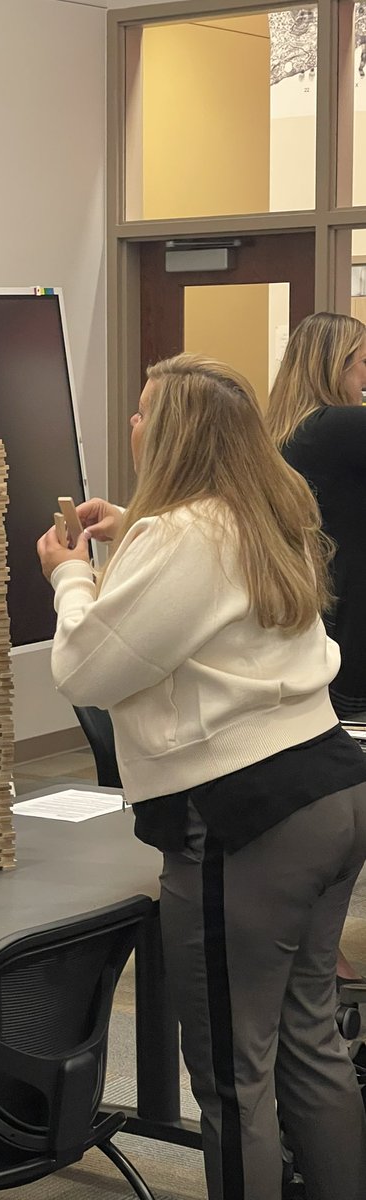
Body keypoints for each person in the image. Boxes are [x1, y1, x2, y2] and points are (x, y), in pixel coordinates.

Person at [36, 353, 366, 1200]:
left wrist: (72, 576)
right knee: (310, 1041)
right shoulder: (271, 512)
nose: (134, 425)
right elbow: (184, 621)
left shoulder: (181, 536)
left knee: (231, 1072)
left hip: (246, 819)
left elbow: (88, 670)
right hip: (330, 790)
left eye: (145, 413)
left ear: (172, 432)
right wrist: (133, 538)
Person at [266, 311, 366, 987]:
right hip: (348, 649)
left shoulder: (292, 432)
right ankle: (315, 952)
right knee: (343, 822)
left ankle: (315, 948)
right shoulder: (334, 426)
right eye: (362, 361)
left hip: (323, 642)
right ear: (333, 366)